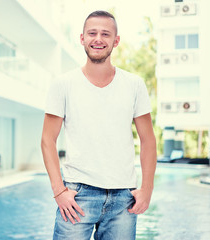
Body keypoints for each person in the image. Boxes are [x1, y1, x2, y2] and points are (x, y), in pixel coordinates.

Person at [41, 10, 157, 240]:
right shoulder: (63, 84)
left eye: (105, 34)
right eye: (92, 33)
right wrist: (59, 191)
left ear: (116, 41)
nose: (98, 39)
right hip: (77, 195)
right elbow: (47, 140)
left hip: (123, 198)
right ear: (82, 38)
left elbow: (148, 140)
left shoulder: (134, 84)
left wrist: (146, 190)